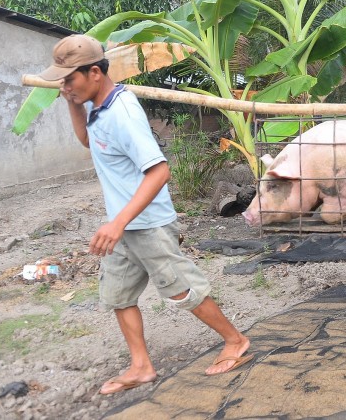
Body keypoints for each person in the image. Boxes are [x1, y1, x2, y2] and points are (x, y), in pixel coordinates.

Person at [38, 35, 252, 395]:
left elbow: (159, 172)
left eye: (69, 79)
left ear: (93, 72)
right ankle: (141, 366)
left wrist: (117, 222)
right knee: (119, 295)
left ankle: (235, 341)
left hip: (147, 224)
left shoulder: (122, 112)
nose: (65, 85)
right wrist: (72, 103)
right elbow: (90, 142)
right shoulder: (97, 105)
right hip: (123, 227)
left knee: (181, 290)